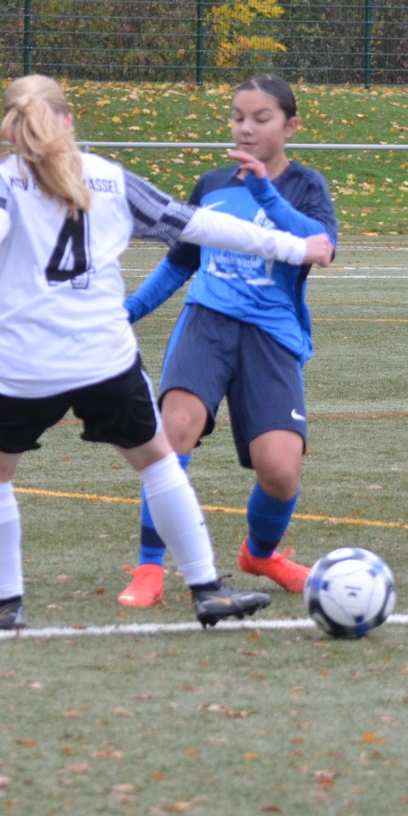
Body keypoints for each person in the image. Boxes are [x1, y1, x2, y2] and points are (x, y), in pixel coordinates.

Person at [0, 75, 333, 631]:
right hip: (104, 354)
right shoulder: (111, 179)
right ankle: (206, 587)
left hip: (28, 359)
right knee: (159, 463)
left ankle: (7, 604)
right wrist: (292, 246)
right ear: (68, 121)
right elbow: (197, 225)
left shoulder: (0, 177)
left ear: (10, 127)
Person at [117, 75, 338, 607]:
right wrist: (125, 314)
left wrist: (263, 189)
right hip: (206, 324)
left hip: (271, 335)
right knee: (173, 432)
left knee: (281, 472)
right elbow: (180, 264)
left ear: (290, 126)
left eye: (261, 118)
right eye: (239, 116)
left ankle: (260, 554)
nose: (246, 127)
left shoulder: (307, 185)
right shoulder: (212, 184)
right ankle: (149, 567)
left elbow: (319, 246)